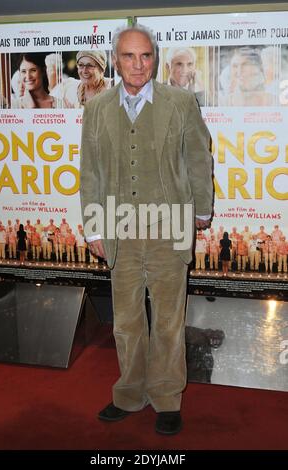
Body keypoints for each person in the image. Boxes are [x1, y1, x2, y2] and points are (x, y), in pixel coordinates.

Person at [80, 24, 213, 435]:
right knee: (126, 321)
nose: (138, 65)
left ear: (155, 58)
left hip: (169, 227)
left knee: (170, 319)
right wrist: (93, 227)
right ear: (115, 60)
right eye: (128, 56)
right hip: (119, 230)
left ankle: (167, 398)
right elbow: (90, 172)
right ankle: (129, 393)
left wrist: (202, 211)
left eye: (145, 56)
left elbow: (197, 157)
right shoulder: (98, 107)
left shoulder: (181, 101)